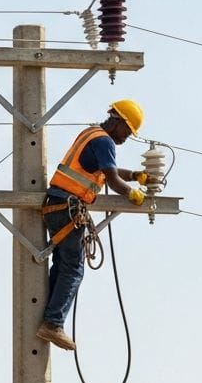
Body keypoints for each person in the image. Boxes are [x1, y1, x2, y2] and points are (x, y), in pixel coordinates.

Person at [37, 99, 149, 352]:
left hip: (57, 205)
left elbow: (107, 170)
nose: (126, 137)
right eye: (128, 131)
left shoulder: (92, 134)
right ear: (118, 122)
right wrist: (131, 193)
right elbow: (112, 179)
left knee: (63, 264)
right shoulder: (104, 141)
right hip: (67, 208)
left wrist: (134, 176)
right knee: (74, 268)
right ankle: (53, 323)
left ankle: (48, 315)